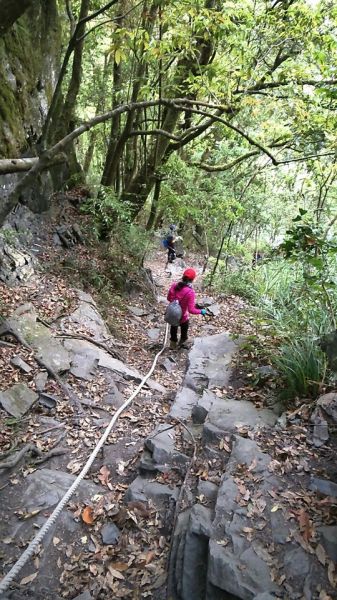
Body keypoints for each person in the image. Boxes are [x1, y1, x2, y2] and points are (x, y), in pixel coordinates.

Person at [167, 268, 206, 349]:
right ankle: (182, 341)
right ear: (192, 279)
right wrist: (201, 311)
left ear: (183, 277)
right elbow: (191, 310)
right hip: (182, 316)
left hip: (172, 313)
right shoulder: (190, 292)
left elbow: (169, 298)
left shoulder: (174, 285)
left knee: (174, 326)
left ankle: (172, 344)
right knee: (185, 323)